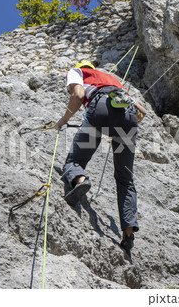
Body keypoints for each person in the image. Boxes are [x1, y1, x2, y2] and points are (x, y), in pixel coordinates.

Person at [54, 60, 147, 253]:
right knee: (125, 179)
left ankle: (80, 181)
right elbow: (142, 112)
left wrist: (64, 120)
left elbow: (79, 95)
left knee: (74, 161)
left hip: (101, 110)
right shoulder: (112, 79)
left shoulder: (76, 72)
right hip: (129, 118)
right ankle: (128, 233)